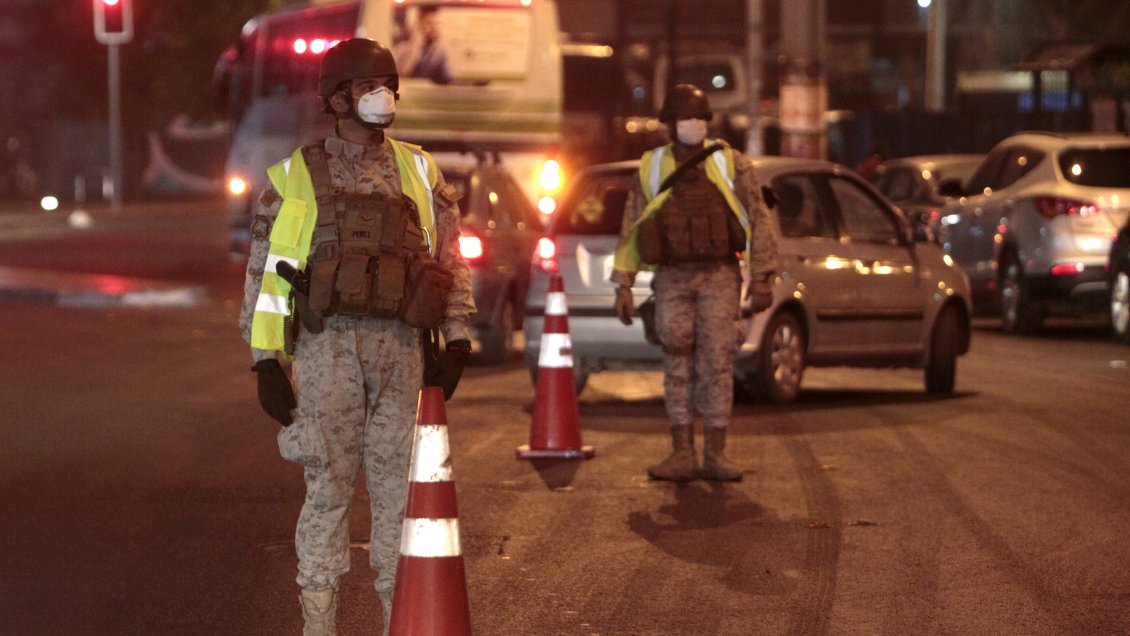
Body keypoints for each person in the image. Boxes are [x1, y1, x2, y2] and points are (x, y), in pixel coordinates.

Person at [237, 38, 475, 635]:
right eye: (369, 85)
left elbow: (451, 257)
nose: (383, 96)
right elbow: (266, 273)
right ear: (337, 98)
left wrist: (459, 335)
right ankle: (320, 626)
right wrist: (266, 359)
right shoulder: (294, 176)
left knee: (401, 492)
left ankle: (405, 619)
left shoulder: (418, 167)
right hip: (328, 349)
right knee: (329, 486)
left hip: (401, 347)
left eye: (388, 83)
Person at [611, 84, 778, 483]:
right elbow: (633, 223)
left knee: (717, 362)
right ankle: (681, 451)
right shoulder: (652, 166)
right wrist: (623, 284)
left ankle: (715, 454)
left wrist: (762, 277)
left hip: (719, 275)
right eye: (685, 118)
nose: (693, 124)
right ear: (670, 123)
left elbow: (757, 219)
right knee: (677, 359)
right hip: (671, 278)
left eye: (700, 118)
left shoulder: (731, 163)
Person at [393, 7, 453, 84]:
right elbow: (400, 75)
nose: (434, 28)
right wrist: (414, 47)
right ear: (418, 24)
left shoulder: (440, 52)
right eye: (430, 23)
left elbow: (448, 79)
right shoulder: (402, 48)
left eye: (437, 24)